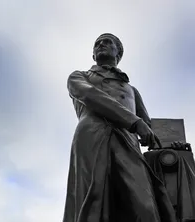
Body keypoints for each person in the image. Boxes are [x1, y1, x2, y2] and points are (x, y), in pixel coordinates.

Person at [63, 33, 176, 222]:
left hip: (128, 144)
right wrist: (133, 121)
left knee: (144, 205)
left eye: (107, 42)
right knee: (96, 201)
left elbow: (149, 128)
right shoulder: (78, 76)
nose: (101, 45)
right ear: (93, 56)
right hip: (93, 137)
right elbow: (91, 95)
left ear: (118, 52)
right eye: (97, 43)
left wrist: (173, 145)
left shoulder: (132, 90)